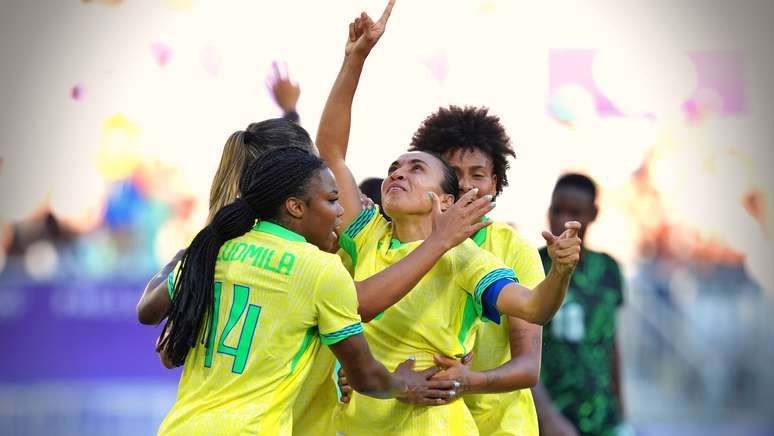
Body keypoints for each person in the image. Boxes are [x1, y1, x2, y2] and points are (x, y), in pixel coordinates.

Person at [316, 2, 581, 433]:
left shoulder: (467, 259)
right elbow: (331, 150)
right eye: (394, 168)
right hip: (363, 423)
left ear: (445, 198)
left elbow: (534, 307)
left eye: (416, 169)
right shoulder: (367, 233)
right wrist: (355, 59)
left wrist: (562, 271)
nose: (398, 173)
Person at [155, 145, 461, 434]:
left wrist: (175, 264)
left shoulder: (216, 248)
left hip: (180, 426)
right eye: (331, 200)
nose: (340, 211)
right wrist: (403, 384)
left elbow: (147, 312)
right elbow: (365, 375)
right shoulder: (319, 269)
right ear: (295, 207)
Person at [408, 105, 546, 436]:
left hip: (501, 427)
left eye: (478, 174)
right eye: (454, 173)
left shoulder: (515, 250)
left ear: (495, 182)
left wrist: (470, 382)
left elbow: (528, 367)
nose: (467, 186)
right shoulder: (402, 243)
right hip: (424, 424)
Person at [532, 173, 625, 436]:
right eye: (557, 210)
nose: (564, 220)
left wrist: (621, 413)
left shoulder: (608, 269)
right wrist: (547, 418)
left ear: (593, 214)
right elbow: (519, 347)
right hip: (551, 418)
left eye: (575, 212)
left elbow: (611, 343)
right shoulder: (531, 264)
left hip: (602, 415)